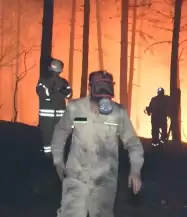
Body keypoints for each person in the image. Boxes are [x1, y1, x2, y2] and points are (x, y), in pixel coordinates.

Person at [50, 70, 144, 217]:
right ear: (89, 88)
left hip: (105, 181)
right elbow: (61, 131)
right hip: (76, 176)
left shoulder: (118, 113)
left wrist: (135, 170)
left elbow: (133, 142)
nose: (102, 101)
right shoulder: (75, 108)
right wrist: (57, 159)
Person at [36, 58, 72, 156]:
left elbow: (68, 94)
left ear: (49, 68)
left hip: (48, 115)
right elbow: (67, 94)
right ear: (61, 70)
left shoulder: (43, 81)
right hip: (56, 114)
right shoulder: (63, 82)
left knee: (48, 135)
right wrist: (59, 92)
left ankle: (49, 155)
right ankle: (54, 154)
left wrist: (54, 92)